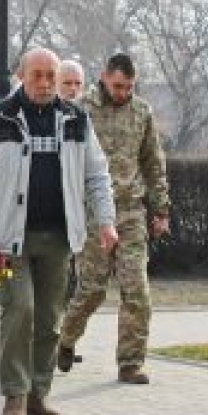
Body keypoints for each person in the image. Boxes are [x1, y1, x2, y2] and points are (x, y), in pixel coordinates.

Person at [0, 47, 118, 415]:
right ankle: (14, 395)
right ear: (21, 76)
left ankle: (38, 395)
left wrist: (106, 221)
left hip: (59, 237)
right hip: (6, 238)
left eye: (51, 76)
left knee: (49, 318)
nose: (45, 83)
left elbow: (97, 175)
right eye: (38, 76)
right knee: (20, 310)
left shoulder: (76, 119)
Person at [58, 52, 171, 384]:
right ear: (105, 77)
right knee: (92, 290)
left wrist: (161, 209)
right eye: (118, 86)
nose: (123, 93)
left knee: (137, 291)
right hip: (93, 212)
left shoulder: (142, 112)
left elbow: (153, 162)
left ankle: (130, 362)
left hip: (130, 210)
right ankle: (64, 339)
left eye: (129, 87)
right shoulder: (82, 110)